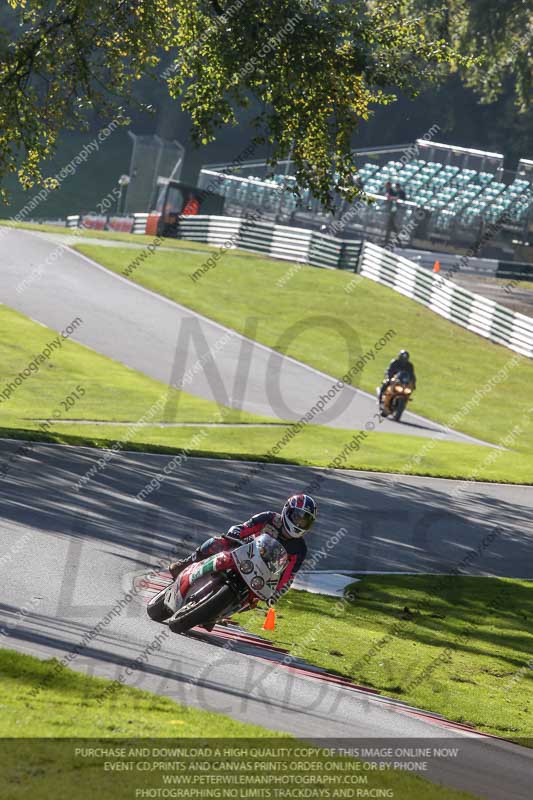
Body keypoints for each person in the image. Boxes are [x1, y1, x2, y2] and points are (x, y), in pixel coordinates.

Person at [168, 494, 318, 604]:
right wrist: (235, 533)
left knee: (253, 600)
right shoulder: (269, 518)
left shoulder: (300, 548)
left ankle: (220, 612)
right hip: (244, 549)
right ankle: (186, 563)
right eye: (298, 517)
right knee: (217, 542)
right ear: (288, 511)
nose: (299, 523)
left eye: (304, 521)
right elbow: (246, 527)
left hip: (265, 572)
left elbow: (288, 576)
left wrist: (276, 592)